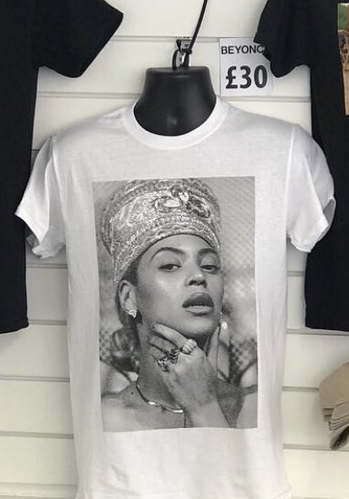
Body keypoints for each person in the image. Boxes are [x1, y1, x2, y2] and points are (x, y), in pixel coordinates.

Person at [99, 177, 256, 431]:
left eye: (209, 266)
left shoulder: (254, 408)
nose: (199, 276)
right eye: (170, 265)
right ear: (129, 297)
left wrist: (205, 407)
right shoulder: (105, 419)